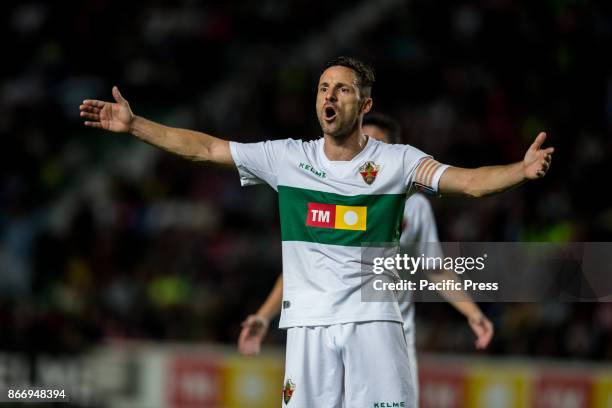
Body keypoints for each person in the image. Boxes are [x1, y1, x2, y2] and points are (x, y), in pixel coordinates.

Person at [80, 56, 553, 407]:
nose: (329, 95)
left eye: (342, 89)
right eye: (323, 87)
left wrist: (520, 169)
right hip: (306, 326)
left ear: (365, 104)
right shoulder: (287, 158)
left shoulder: (397, 162)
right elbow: (205, 149)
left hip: (374, 325)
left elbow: (467, 183)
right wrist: (136, 125)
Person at [237, 113, 494, 403]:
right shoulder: (326, 197)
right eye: (363, 141)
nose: (366, 153)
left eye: (376, 144)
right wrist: (263, 315)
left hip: (386, 339)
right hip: (327, 331)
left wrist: (473, 313)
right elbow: (299, 272)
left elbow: (434, 268)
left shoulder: (415, 208)